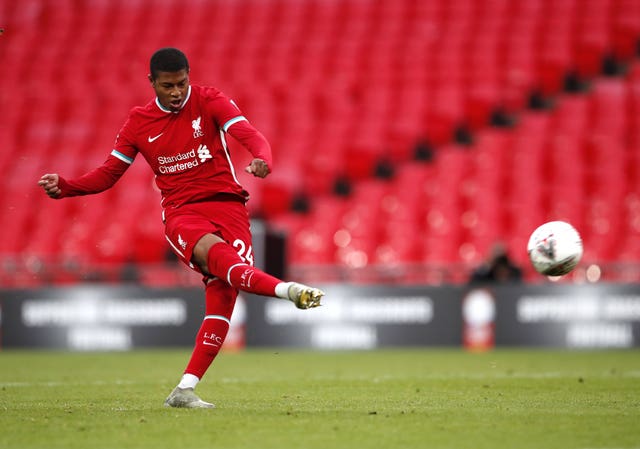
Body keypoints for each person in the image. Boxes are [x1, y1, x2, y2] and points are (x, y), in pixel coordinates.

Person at [37, 47, 324, 409]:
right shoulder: (138, 122)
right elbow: (109, 174)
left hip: (230, 206)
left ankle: (184, 389)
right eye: (168, 86)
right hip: (183, 212)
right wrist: (65, 186)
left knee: (224, 292)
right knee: (220, 260)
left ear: (190, 76)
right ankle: (287, 290)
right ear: (152, 83)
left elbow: (250, 134)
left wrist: (262, 158)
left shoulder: (209, 100)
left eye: (182, 83)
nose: (176, 92)